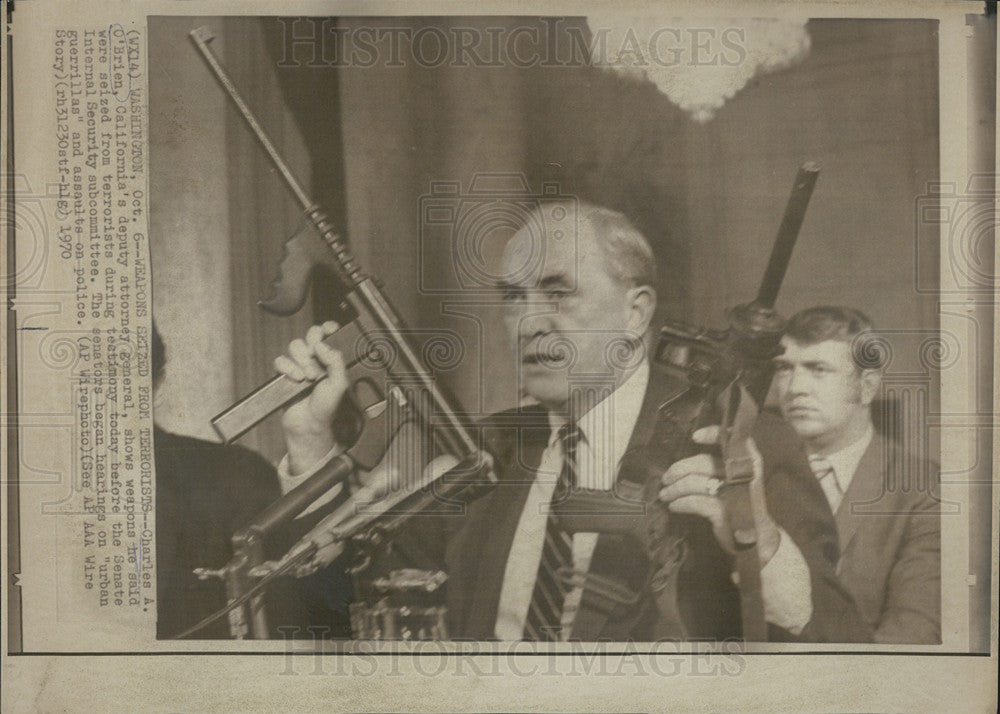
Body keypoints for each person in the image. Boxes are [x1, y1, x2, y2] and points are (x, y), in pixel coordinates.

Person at [275, 202, 869, 642]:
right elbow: (348, 610)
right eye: (514, 298)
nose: (530, 322)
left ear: (636, 312)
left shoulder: (737, 443)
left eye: (557, 294)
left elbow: (847, 652)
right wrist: (311, 448)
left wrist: (757, 543)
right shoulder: (482, 451)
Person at [772, 306, 941, 644]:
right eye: (784, 368)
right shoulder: (762, 476)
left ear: (866, 387)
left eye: (818, 369)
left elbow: (913, 638)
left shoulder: (924, 489)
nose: (794, 388)